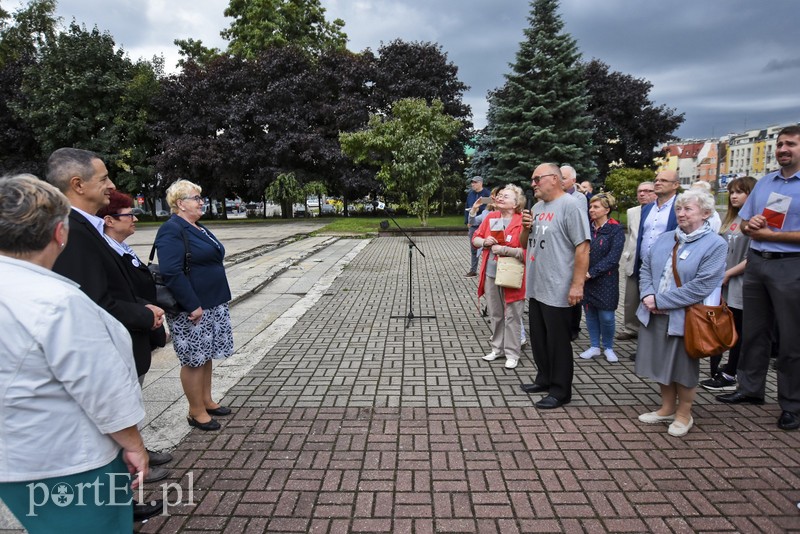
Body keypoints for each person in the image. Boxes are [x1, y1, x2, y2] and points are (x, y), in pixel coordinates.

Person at [0, 175, 148, 533]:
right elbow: (100, 385)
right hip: (70, 461)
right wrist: (133, 444)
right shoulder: (57, 302)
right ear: (59, 234)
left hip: (15, 457)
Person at [46, 147, 164, 520]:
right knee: (109, 436)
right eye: (104, 179)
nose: (111, 186)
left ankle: (123, 503)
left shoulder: (85, 226)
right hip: (109, 346)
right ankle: (118, 510)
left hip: (123, 339)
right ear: (78, 185)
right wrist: (143, 315)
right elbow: (94, 300)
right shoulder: (74, 231)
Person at [716, 125, 800, 431]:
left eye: (790, 144)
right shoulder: (767, 183)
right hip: (758, 264)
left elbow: (774, 232)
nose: (782, 149)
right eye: (779, 144)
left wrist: (767, 233)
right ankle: (750, 389)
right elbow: (747, 226)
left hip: (791, 265)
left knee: (791, 338)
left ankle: (792, 404)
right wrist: (754, 226)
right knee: (754, 332)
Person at [635, 189, 726, 437]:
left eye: (688, 209)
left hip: (685, 318)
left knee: (683, 368)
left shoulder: (715, 244)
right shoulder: (666, 238)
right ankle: (666, 408)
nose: (681, 213)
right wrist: (647, 296)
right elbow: (646, 269)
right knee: (661, 364)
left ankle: (684, 414)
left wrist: (660, 300)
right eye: (679, 209)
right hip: (654, 313)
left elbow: (701, 286)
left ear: (706, 214)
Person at [97, 191, 173, 477]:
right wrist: (145, 312)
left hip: (139, 329)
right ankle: (131, 459)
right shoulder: (104, 251)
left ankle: (138, 448)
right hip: (125, 333)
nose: (135, 219)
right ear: (109, 220)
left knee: (134, 397)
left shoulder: (121, 248)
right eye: (129, 214)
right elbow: (113, 298)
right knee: (124, 400)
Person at [156, 179, 234, 432]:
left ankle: (207, 401)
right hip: (193, 308)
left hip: (212, 302)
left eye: (201, 197)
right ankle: (195, 411)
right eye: (196, 198)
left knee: (206, 354)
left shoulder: (197, 227)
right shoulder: (172, 229)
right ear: (180, 203)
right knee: (193, 360)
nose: (202, 202)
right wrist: (192, 305)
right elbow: (171, 271)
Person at [520, 163, 590, 409]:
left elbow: (582, 246)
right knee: (539, 338)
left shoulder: (571, 206)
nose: (533, 184)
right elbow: (523, 243)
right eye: (532, 180)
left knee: (558, 341)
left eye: (537, 179)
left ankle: (561, 391)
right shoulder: (537, 208)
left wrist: (577, 284)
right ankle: (545, 378)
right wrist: (525, 227)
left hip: (558, 285)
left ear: (554, 179)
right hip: (537, 284)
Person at [700, 176, 756, 391]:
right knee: (724, 326)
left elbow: (752, 256)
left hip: (741, 283)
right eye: (732, 191)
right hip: (724, 282)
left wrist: (728, 274)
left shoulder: (753, 221)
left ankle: (731, 373)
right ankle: (723, 369)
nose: (733, 196)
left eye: (740, 192)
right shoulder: (730, 219)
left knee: (738, 330)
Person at [473, 185, 527, 369]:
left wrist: (504, 250)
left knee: (512, 314)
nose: (500, 198)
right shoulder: (491, 217)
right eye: (500, 195)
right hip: (491, 273)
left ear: (516, 203)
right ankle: (497, 349)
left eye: (506, 196)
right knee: (496, 313)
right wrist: (485, 242)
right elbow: (476, 238)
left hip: (512, 274)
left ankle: (512, 353)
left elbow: (527, 252)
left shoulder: (522, 222)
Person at [631, 169, 680, 359]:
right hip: (645, 265)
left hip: (668, 267)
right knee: (645, 305)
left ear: (675, 185)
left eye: (664, 180)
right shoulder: (648, 208)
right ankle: (646, 348)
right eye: (656, 179)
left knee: (663, 308)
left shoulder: (679, 207)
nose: (657, 183)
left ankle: (665, 350)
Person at [578, 193, 625, 363]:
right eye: (591, 207)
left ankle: (608, 347)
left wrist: (592, 273)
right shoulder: (586, 227)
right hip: (586, 279)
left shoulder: (615, 229)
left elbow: (613, 258)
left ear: (607, 209)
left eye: (596, 207)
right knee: (590, 313)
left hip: (606, 280)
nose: (591, 210)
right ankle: (594, 346)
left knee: (606, 316)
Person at [617, 181, 656, 341]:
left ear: (655, 193)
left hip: (653, 261)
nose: (642, 194)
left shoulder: (659, 211)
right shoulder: (632, 212)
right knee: (631, 297)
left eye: (647, 191)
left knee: (649, 297)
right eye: (640, 191)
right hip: (634, 259)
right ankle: (631, 327)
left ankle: (649, 330)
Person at [560, 165, 588, 341]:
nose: (560, 180)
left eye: (564, 177)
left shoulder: (579, 198)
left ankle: (574, 327)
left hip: (573, 249)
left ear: (573, 181)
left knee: (573, 288)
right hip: (560, 251)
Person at [465, 175, 491, 277]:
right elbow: (467, 207)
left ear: (481, 183)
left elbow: (488, 208)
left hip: (483, 223)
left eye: (475, 182)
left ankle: (487, 270)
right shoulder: (470, 194)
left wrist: (477, 208)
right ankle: (473, 270)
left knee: (486, 247)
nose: (473, 184)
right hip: (473, 224)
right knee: (473, 248)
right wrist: (467, 220)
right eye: (472, 182)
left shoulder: (486, 194)